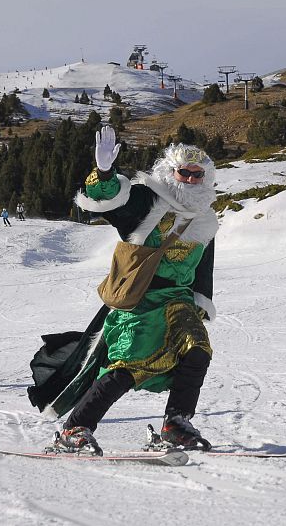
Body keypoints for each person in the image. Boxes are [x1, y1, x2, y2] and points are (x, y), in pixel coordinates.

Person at [47, 126, 219, 454]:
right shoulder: (147, 201)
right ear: (171, 172)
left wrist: (200, 303)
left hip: (180, 302)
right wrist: (105, 172)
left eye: (199, 175)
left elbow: (203, 267)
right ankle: (75, 428)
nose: (192, 180)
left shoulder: (205, 219)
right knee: (128, 367)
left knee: (197, 351)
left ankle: (176, 423)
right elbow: (110, 200)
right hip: (140, 301)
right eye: (185, 173)